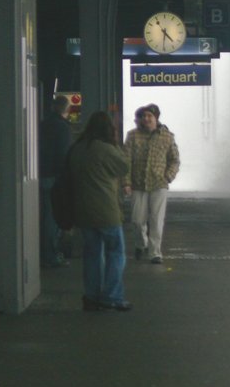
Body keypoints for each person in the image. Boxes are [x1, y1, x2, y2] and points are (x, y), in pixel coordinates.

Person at [69, 111, 132, 311]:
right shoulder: (105, 149)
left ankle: (91, 296)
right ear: (108, 130)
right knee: (116, 252)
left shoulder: (78, 148)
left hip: (83, 210)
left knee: (92, 254)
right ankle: (112, 297)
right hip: (106, 210)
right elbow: (123, 167)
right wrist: (116, 145)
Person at [123, 103, 180, 264]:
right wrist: (126, 182)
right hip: (138, 184)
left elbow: (174, 159)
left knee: (156, 220)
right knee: (137, 220)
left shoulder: (167, 136)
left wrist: (168, 176)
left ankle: (155, 252)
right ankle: (141, 244)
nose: (146, 119)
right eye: (144, 116)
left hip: (159, 184)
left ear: (156, 118)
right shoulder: (132, 136)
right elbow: (126, 160)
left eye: (150, 116)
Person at [39, 94, 72, 268]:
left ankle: (44, 252)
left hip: (41, 175)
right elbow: (64, 155)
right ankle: (51, 255)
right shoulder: (63, 128)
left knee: (46, 216)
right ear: (67, 110)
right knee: (54, 218)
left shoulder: (42, 125)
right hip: (56, 178)